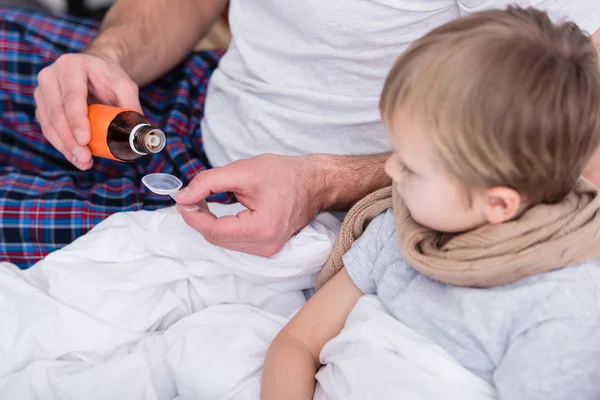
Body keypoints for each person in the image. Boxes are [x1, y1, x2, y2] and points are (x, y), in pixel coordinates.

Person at [0, 1, 598, 268]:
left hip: (286, 212)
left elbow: (574, 133)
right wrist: (107, 56)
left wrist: (324, 181)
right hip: (198, 94)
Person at [261, 7, 600, 400]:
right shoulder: (401, 227)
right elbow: (298, 343)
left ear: (500, 204)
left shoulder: (563, 309)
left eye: (412, 166)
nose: (390, 168)